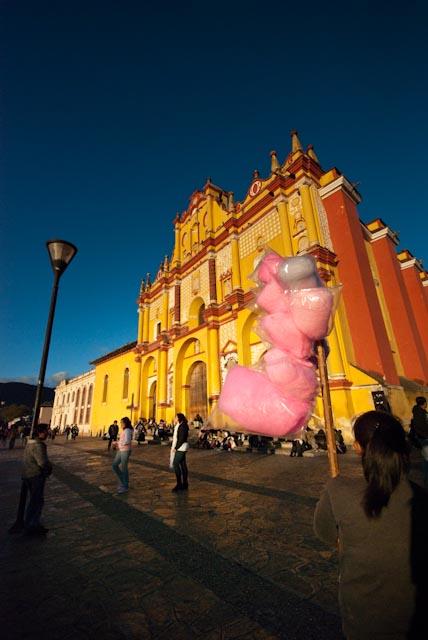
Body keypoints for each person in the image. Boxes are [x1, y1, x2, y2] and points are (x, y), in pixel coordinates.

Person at [314, 410, 428, 639]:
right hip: (417, 615)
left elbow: (324, 533)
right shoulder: (422, 498)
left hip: (363, 616)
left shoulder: (338, 489)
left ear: (356, 446)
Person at [9, 423, 53, 536]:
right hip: (35, 475)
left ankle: (30, 523)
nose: (47, 433)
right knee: (36, 501)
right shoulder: (38, 445)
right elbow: (42, 462)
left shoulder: (30, 443)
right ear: (40, 432)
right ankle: (32, 525)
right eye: (46, 431)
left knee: (34, 500)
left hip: (28, 474)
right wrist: (48, 467)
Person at [112, 417, 133, 494]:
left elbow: (127, 441)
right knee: (115, 465)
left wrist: (118, 443)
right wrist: (117, 442)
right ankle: (123, 481)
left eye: (122, 423)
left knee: (124, 467)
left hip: (125, 450)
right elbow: (123, 440)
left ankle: (125, 485)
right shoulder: (125, 430)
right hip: (121, 450)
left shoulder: (127, 430)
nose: (120, 424)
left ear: (125, 423)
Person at [170, 413, 189, 491]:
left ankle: (179, 484)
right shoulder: (182, 425)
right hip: (182, 447)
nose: (174, 418)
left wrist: (176, 448)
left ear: (179, 418)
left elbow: (181, 438)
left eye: (176, 417)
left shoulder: (182, 426)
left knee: (175, 464)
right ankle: (185, 483)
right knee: (183, 465)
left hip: (181, 448)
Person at [411, 396, 428, 487]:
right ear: (424, 403)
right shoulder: (420, 414)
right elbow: (423, 427)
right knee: (426, 459)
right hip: (424, 438)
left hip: (423, 437)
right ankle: (426, 480)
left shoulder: (420, 412)